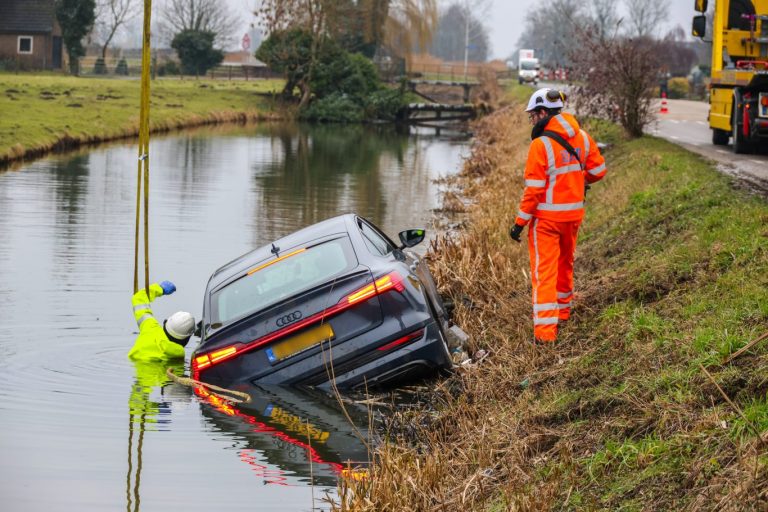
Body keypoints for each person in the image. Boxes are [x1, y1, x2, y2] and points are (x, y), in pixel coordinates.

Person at [509, 88, 607, 344]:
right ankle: (563, 313)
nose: (532, 120)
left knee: (544, 274)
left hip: (546, 222)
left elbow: (533, 191)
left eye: (533, 115)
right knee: (565, 265)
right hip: (573, 217)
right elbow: (599, 171)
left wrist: (519, 223)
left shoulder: (540, 145)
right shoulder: (583, 137)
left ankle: (544, 334)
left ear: (543, 113)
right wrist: (577, 179)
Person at [129, 280, 195, 361]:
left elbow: (138, 298)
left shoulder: (150, 328)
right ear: (186, 340)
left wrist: (160, 289)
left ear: (165, 323)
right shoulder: (179, 354)